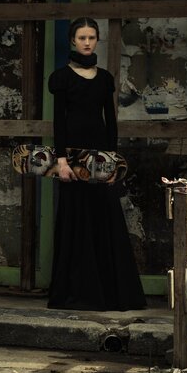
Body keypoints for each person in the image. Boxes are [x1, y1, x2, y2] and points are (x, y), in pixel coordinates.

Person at [47, 17, 147, 311]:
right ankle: (77, 293)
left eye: (92, 37)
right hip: (72, 160)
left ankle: (111, 294)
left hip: (101, 161)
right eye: (82, 37)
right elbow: (59, 122)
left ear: (97, 40)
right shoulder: (61, 78)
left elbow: (111, 123)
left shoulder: (104, 79)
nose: (87, 42)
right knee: (76, 221)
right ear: (72, 41)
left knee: (106, 221)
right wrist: (61, 160)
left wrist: (113, 163)